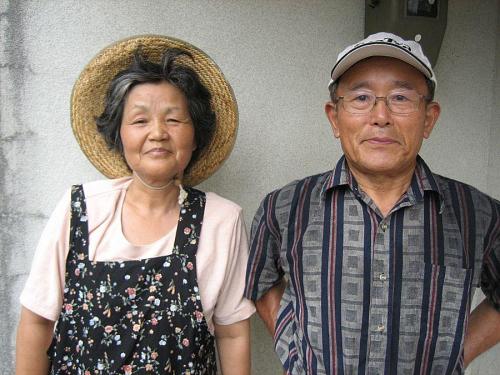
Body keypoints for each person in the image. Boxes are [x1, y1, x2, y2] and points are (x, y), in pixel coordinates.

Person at [245, 32, 500, 374]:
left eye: (400, 97)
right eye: (361, 97)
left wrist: (459, 352)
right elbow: (262, 282)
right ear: (334, 118)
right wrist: (294, 351)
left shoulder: (478, 214)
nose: (380, 116)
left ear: (429, 118)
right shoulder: (286, 207)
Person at [16, 35, 254, 375]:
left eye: (173, 120)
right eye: (140, 121)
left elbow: (232, 334)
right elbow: (36, 322)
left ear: (195, 135)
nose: (157, 132)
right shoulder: (80, 209)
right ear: (119, 134)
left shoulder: (223, 221)